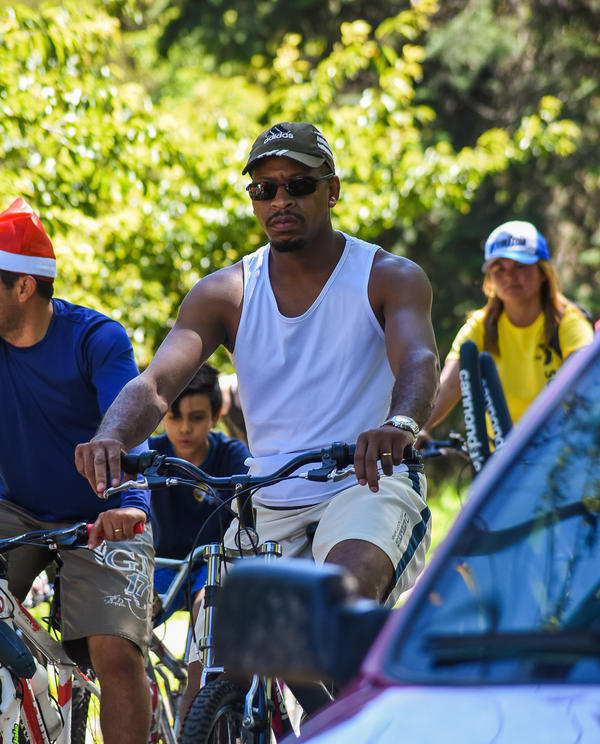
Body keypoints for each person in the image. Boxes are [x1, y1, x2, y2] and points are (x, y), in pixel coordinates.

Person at [76, 120, 439, 635]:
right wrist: (110, 436)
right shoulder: (225, 292)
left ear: (331, 190)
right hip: (266, 501)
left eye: (298, 185)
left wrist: (399, 424)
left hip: (368, 484)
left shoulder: (387, 276)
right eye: (263, 189)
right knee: (212, 659)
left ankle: (351, 711)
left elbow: (420, 358)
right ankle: (284, 715)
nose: (279, 201)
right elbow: (156, 385)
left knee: (336, 609)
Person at [0, 198, 154, 744]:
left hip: (107, 513)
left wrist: (124, 501)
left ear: (23, 285)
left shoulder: (95, 340)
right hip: (17, 510)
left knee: (115, 648)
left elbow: (127, 419)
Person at [417, 220, 595, 443]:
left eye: (520, 266)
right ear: (489, 278)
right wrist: (417, 428)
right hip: (500, 460)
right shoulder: (480, 326)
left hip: (557, 454)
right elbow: (450, 385)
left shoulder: (568, 322)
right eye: (499, 268)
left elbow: (589, 384)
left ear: (543, 273)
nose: (509, 276)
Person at [149, 363, 249, 719]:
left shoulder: (232, 456)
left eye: (197, 417)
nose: (185, 428)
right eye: (174, 417)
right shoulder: (148, 454)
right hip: (163, 566)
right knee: (131, 621)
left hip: (213, 562)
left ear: (217, 415)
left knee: (207, 627)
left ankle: (202, 717)